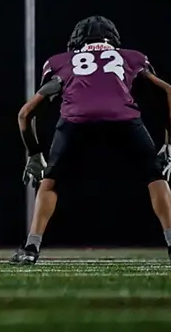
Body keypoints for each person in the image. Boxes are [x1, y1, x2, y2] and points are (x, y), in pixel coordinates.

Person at [11, 16, 171, 264]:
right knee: (156, 177)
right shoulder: (131, 57)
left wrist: (33, 153)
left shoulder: (61, 62)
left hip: (76, 119)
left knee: (50, 182)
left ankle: (31, 247)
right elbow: (168, 92)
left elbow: (25, 113)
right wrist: (169, 143)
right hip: (123, 117)